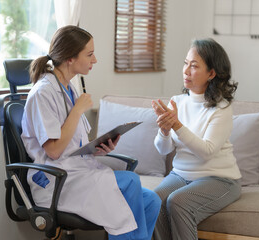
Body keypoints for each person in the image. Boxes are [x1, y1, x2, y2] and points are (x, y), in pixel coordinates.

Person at [21, 25, 161, 239]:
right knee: (131, 181)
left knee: (152, 201)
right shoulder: (43, 93)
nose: (94, 60)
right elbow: (54, 151)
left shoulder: (67, 87)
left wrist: (99, 147)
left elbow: (73, 144)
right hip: (56, 181)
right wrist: (77, 110)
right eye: (90, 54)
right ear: (70, 57)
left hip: (77, 172)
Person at [151, 38, 242, 240]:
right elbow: (163, 149)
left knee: (178, 201)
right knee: (154, 200)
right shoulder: (177, 101)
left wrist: (176, 125)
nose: (186, 71)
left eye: (194, 66)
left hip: (220, 179)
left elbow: (207, 151)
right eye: (185, 64)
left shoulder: (222, 108)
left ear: (211, 73)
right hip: (181, 174)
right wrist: (164, 131)